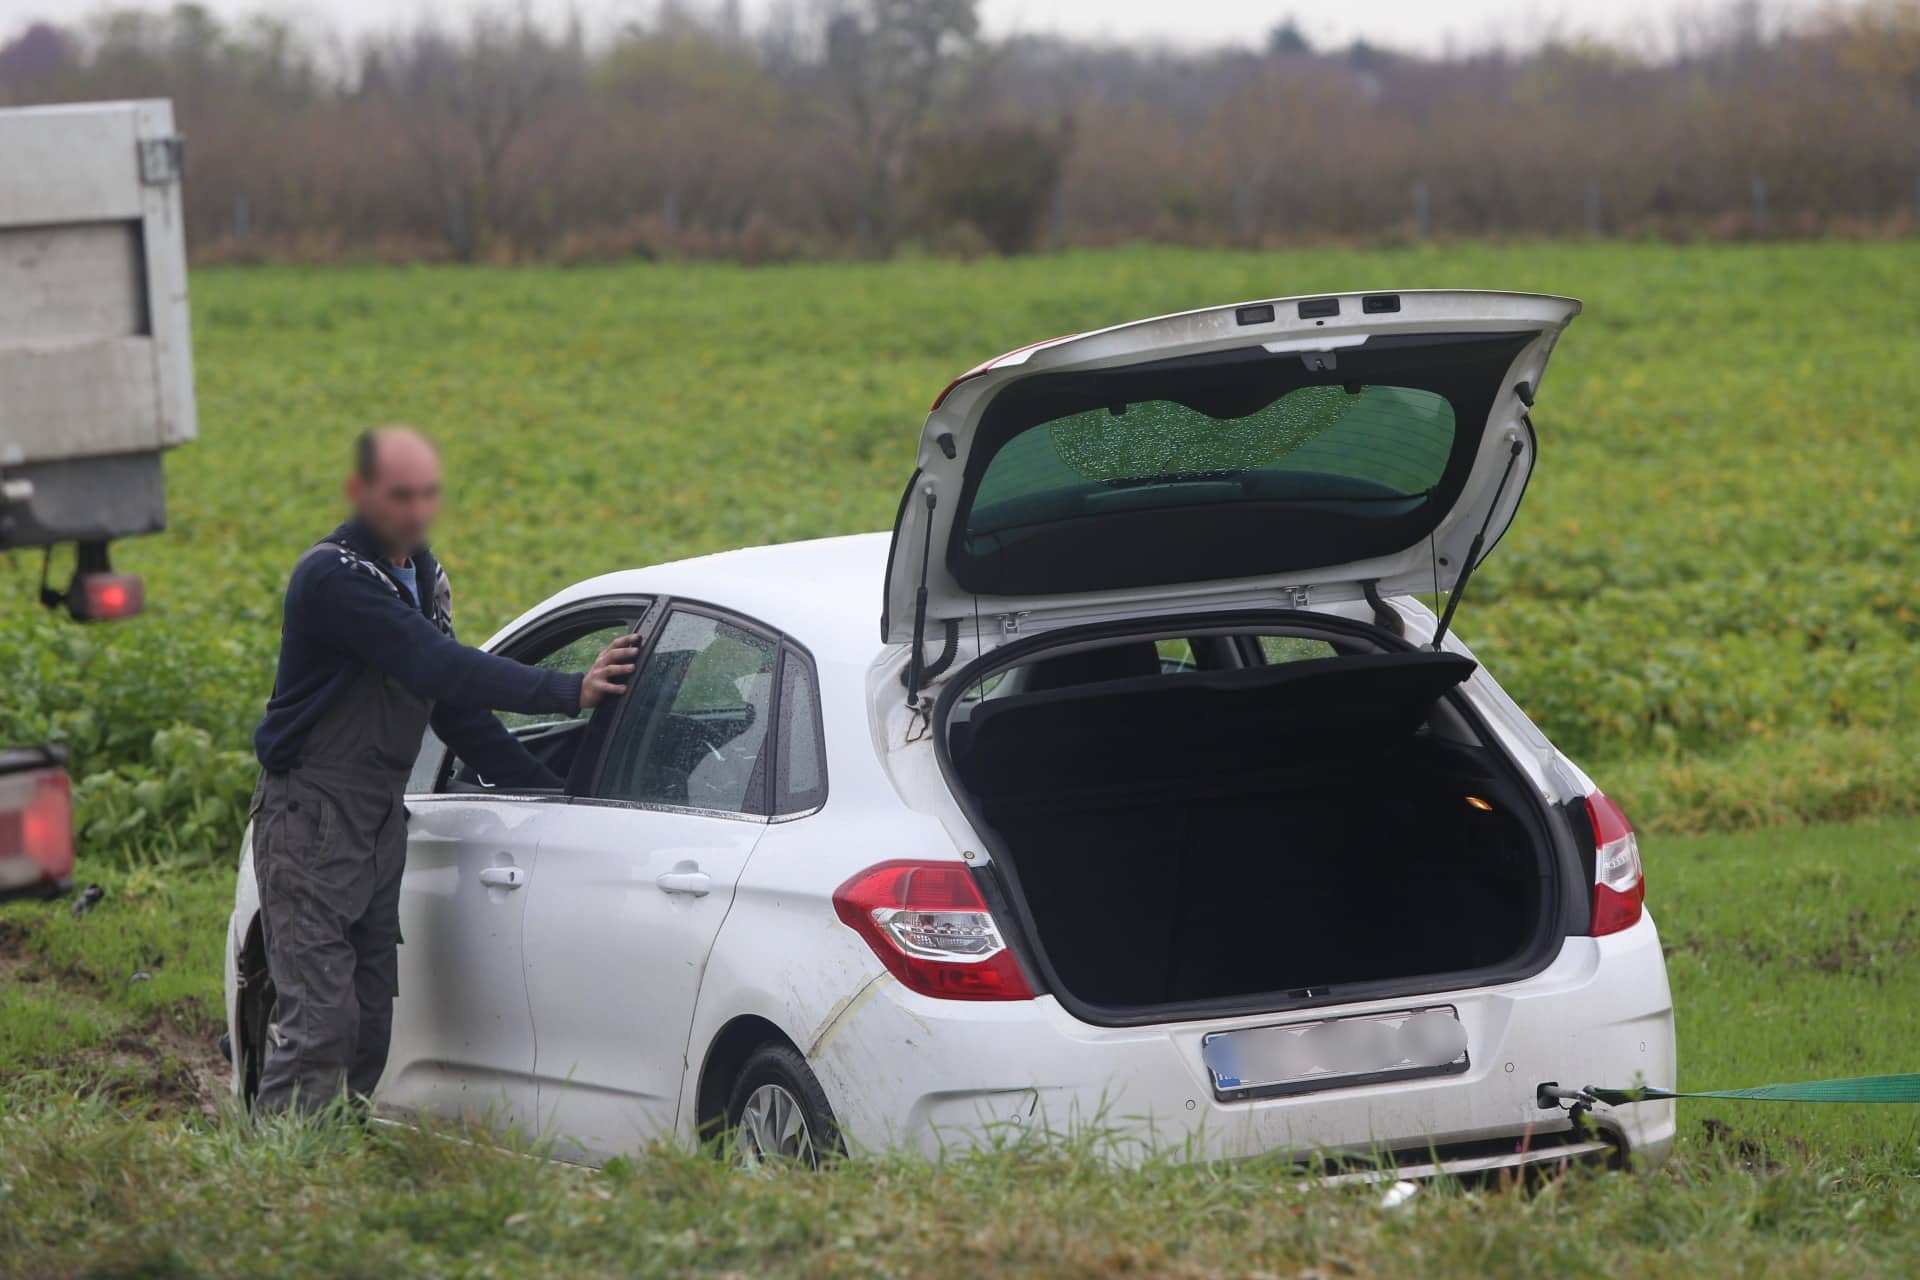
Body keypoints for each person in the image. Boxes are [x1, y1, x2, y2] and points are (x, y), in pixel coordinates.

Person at [247, 425, 638, 1115]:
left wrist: (547, 792)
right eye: (400, 495)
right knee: (319, 1025)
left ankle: (328, 1164)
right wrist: (568, 688)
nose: (417, 510)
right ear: (360, 494)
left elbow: (453, 707)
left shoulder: (422, 575)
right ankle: (279, 1179)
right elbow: (436, 665)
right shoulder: (334, 579)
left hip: (376, 821)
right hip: (310, 817)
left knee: (369, 1022)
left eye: (427, 494)